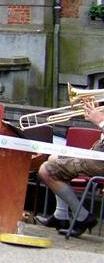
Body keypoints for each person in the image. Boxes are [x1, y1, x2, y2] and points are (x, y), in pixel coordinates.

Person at [35, 98, 104, 237]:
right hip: (98, 152)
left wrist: (101, 121)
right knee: (54, 158)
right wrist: (97, 107)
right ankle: (61, 216)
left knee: (46, 171)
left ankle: (82, 217)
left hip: (100, 160)